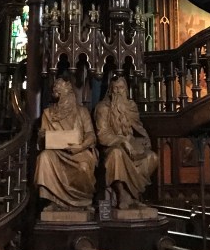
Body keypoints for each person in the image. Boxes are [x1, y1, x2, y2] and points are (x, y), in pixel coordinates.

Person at [95, 76, 157, 209]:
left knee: (152, 157)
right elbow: (102, 135)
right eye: (115, 88)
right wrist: (122, 140)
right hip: (112, 145)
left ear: (126, 90)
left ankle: (133, 194)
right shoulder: (103, 108)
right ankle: (121, 193)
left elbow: (138, 127)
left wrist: (145, 141)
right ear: (110, 90)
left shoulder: (131, 106)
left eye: (121, 88)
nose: (118, 91)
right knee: (116, 155)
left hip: (131, 145)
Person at [34, 77, 97, 210]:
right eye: (56, 91)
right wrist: (42, 136)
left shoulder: (82, 111)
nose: (60, 96)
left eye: (61, 91)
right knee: (44, 158)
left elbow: (91, 135)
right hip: (56, 152)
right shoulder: (48, 113)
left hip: (78, 151)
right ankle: (53, 200)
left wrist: (81, 146)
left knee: (83, 167)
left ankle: (83, 201)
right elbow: (43, 139)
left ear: (69, 93)